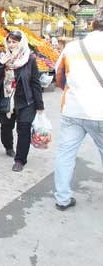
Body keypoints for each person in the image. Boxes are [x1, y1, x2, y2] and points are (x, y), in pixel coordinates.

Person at [54, 18, 103, 211]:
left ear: (91, 27)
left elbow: (59, 77)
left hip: (73, 110)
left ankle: (62, 198)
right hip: (100, 112)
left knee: (65, 154)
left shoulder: (72, 48)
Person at [0, 30, 44, 172]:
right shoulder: (3, 58)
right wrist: (0, 64)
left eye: (14, 42)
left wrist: (40, 106)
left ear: (21, 43)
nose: (11, 45)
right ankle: (8, 147)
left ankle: (20, 160)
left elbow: (35, 82)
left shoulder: (30, 59)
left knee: (24, 129)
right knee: (6, 126)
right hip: (7, 98)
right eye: (9, 42)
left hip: (25, 100)